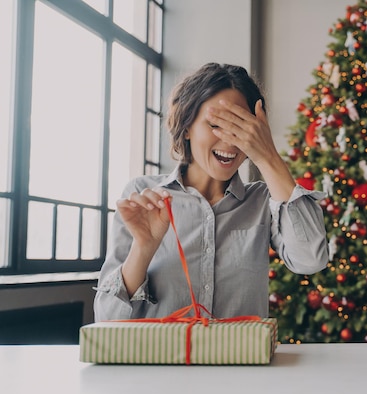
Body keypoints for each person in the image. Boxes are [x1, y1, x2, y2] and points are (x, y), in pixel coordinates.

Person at [94, 63, 329, 321]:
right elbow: (107, 319)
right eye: (216, 125)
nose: (229, 141)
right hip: (161, 362)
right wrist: (143, 248)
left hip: (240, 361)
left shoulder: (263, 201)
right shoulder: (144, 196)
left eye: (240, 127)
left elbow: (311, 259)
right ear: (186, 127)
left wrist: (268, 156)